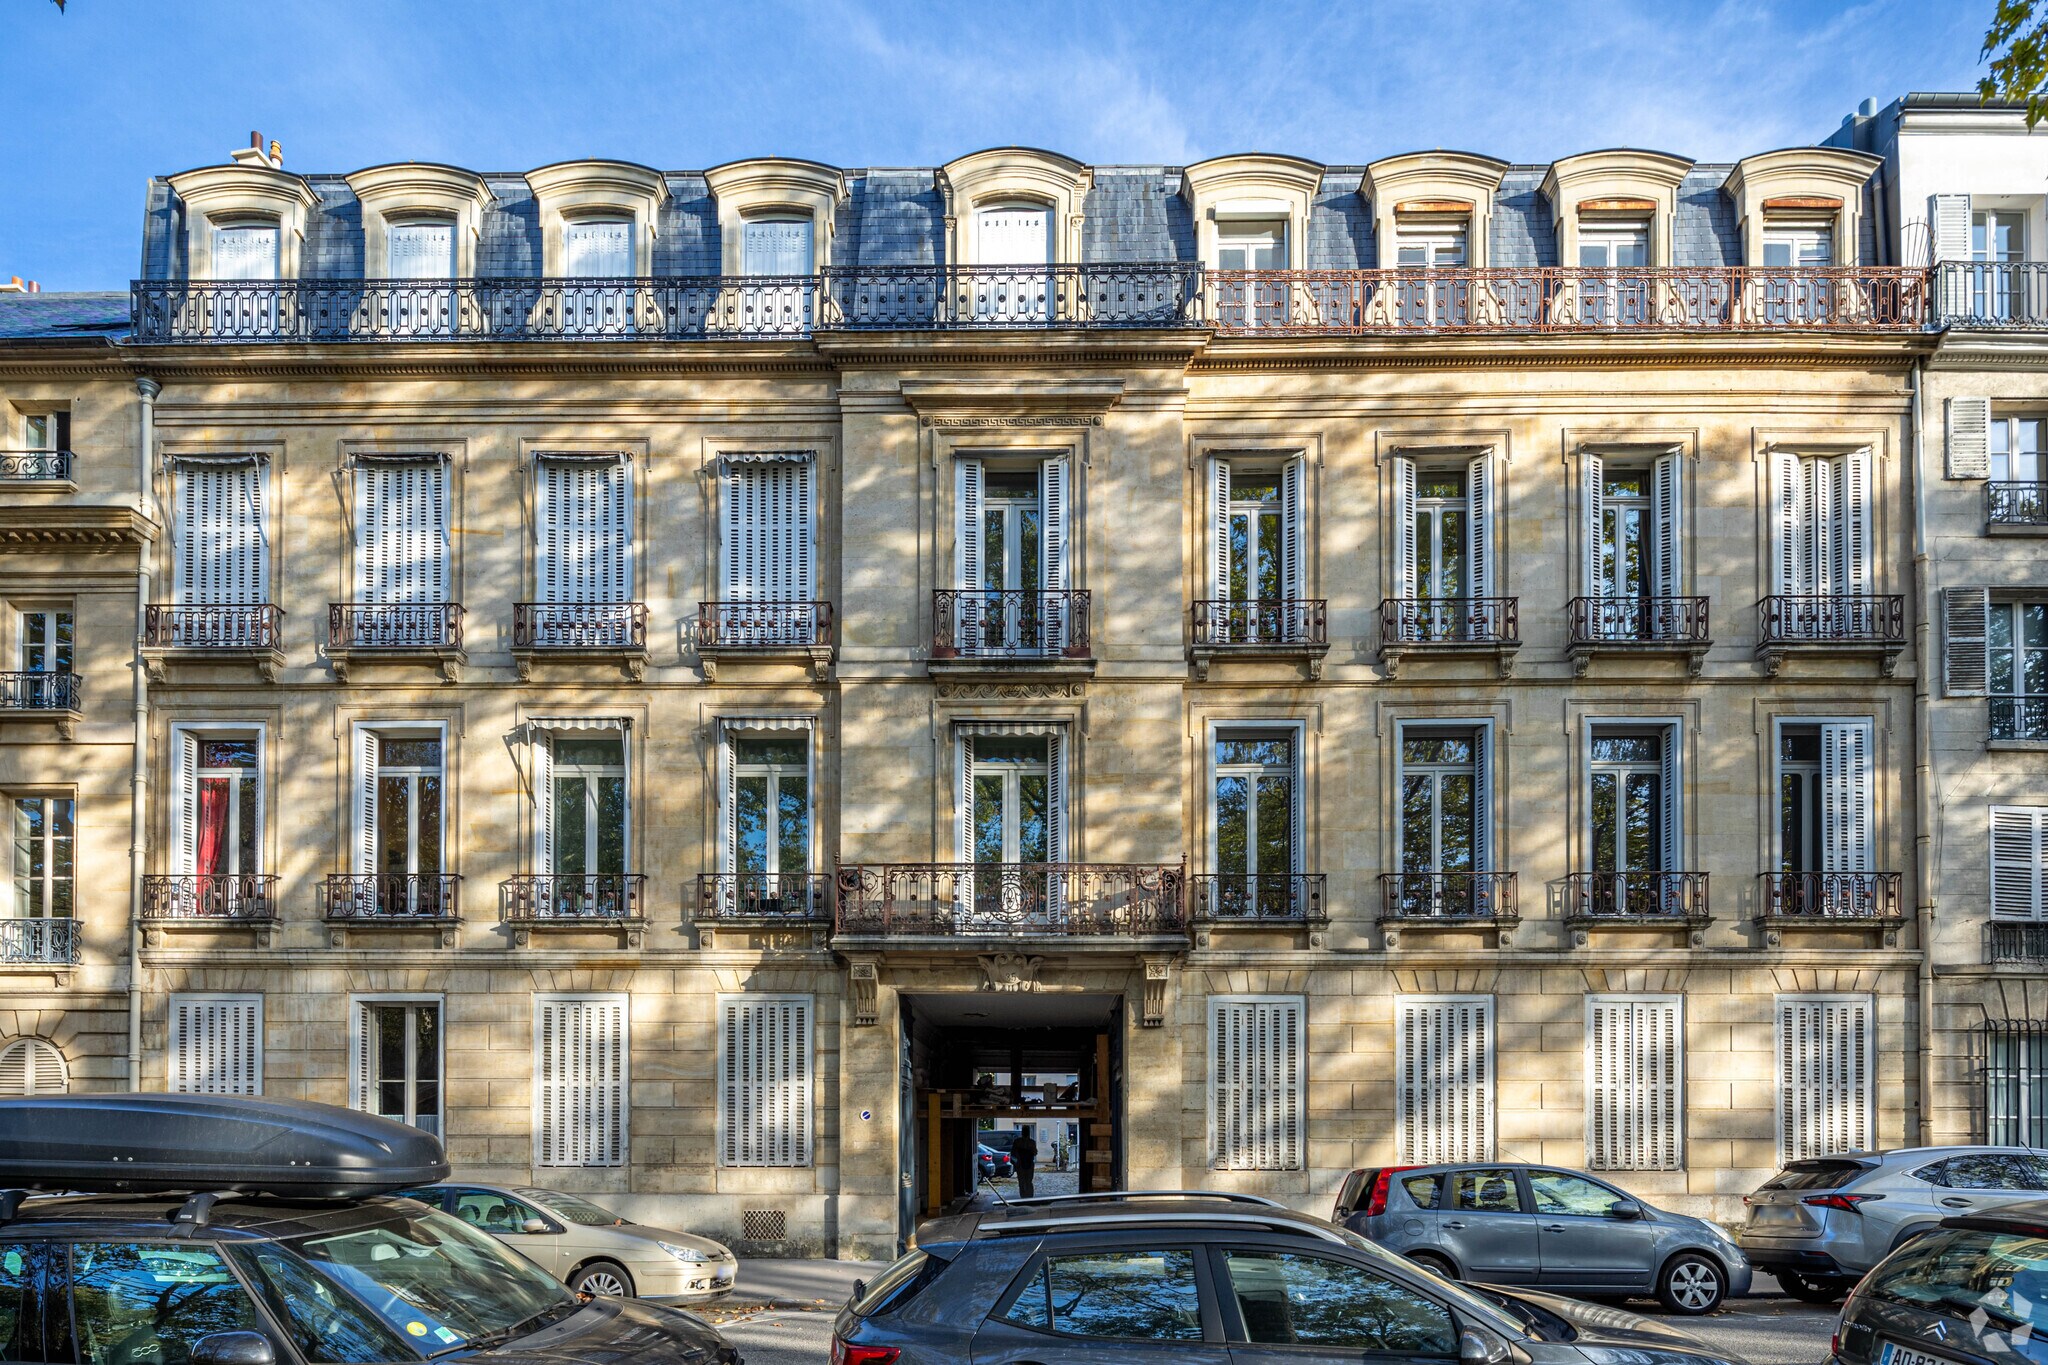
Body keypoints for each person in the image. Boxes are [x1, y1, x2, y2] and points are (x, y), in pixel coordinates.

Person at [1010, 1130, 1039, 1199]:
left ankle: (1025, 1196)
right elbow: (1035, 1152)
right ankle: (1027, 1196)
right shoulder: (1031, 1142)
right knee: (1027, 1181)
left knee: (1023, 1181)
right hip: (1025, 1164)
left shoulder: (1018, 1142)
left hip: (1023, 1164)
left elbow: (1013, 1153)